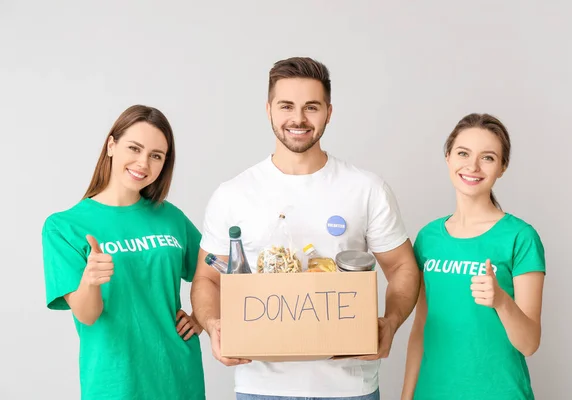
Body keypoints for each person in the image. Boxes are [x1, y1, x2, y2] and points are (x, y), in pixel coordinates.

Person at [191, 57, 420, 400]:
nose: (298, 118)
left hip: (349, 387)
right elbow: (207, 278)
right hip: (261, 387)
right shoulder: (233, 194)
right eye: (287, 106)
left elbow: (403, 266)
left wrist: (390, 323)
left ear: (329, 112)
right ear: (268, 109)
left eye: (311, 107)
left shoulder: (365, 188)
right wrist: (213, 326)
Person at [41, 105, 206, 400]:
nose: (143, 163)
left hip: (178, 376)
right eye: (134, 148)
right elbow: (87, 316)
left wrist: (203, 316)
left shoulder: (170, 218)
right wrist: (90, 281)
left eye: (156, 156)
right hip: (115, 382)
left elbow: (219, 269)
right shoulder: (64, 226)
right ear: (111, 145)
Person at [401, 113, 546, 400]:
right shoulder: (428, 238)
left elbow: (529, 344)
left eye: (488, 157)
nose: (473, 166)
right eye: (463, 153)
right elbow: (421, 327)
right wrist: (407, 396)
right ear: (448, 157)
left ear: (502, 167)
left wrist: (501, 301)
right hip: (432, 393)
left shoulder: (521, 237)